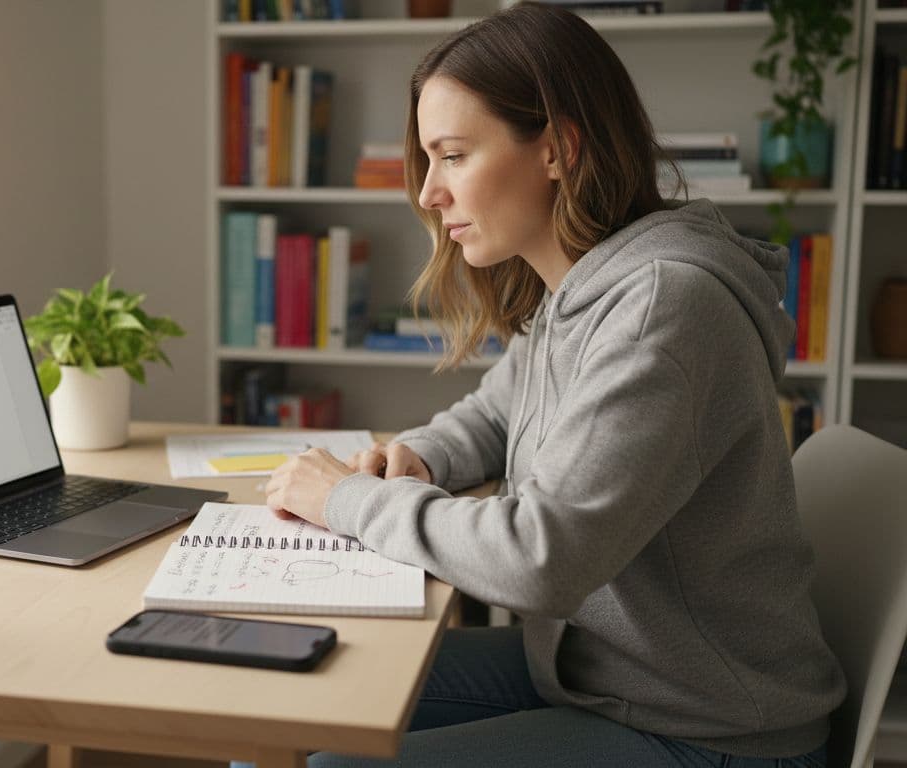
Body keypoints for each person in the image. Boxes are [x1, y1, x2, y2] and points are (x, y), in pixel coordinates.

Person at [262, 3, 846, 766]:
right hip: (596, 673)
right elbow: (498, 414)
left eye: (454, 156)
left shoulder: (660, 308)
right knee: (285, 700)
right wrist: (423, 455)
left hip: (706, 727)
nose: (429, 195)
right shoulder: (582, 289)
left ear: (558, 149)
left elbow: (542, 558)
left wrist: (346, 500)